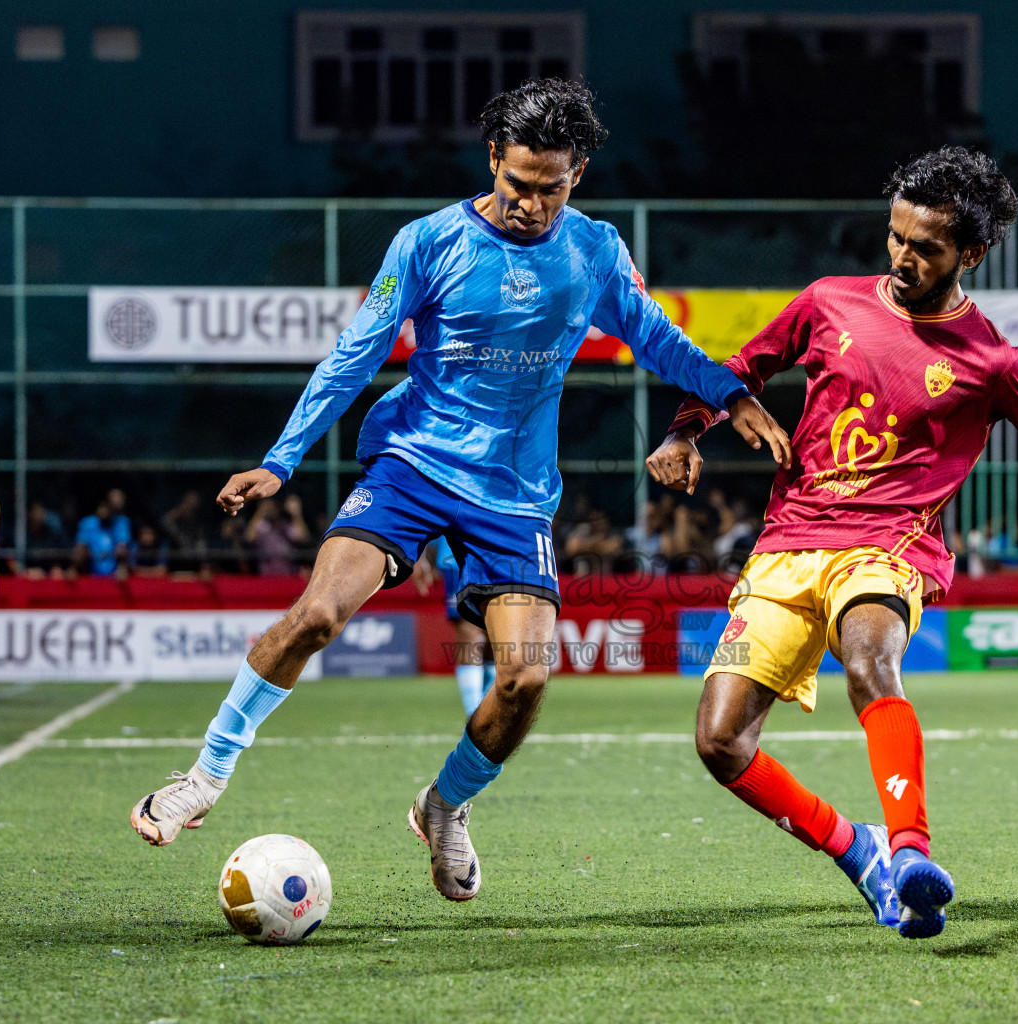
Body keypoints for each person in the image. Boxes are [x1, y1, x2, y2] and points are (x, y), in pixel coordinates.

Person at [127, 78, 791, 904]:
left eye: (550, 187)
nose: (530, 204)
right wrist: (281, 460)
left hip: (515, 495)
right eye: (517, 184)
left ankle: (445, 807)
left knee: (526, 679)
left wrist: (731, 395)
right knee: (320, 614)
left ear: (577, 172)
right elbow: (356, 355)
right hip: (414, 463)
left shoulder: (594, 251)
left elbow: (657, 338)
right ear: (492, 161)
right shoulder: (429, 242)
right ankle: (206, 774)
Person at [646, 147, 1018, 939]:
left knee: (872, 661)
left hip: (889, 546)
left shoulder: (994, 362)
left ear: (970, 253)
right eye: (896, 237)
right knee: (719, 741)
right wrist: (685, 430)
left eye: (927, 247)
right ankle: (861, 854)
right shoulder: (828, 301)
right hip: (787, 545)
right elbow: (741, 367)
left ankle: (911, 853)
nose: (904, 257)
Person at [415, 536, 497, 716]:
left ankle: (487, 706)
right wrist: (420, 559)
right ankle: (474, 716)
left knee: (495, 638)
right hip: (455, 562)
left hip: (497, 560)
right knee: (468, 633)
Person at [74, 494, 132, 577]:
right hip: (90, 570)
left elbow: (122, 547)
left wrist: (122, 568)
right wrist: (74, 567)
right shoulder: (87, 523)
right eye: (101, 507)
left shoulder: (121, 523)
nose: (103, 511)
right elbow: (80, 547)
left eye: (106, 507)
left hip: (114, 573)